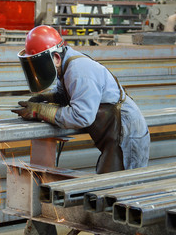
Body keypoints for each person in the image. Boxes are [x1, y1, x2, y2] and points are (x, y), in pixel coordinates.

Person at [12, 25, 150, 174]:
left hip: (127, 134)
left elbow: (82, 116)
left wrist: (40, 111)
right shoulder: (66, 65)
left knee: (118, 189)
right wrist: (44, 98)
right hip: (117, 134)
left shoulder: (78, 71)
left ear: (56, 58)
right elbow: (65, 92)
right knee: (107, 186)